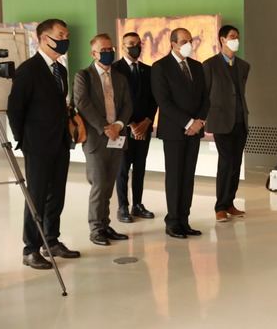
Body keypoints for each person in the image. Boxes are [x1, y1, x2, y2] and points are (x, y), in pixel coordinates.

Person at [7, 18, 80, 269]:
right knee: (36, 197)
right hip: (37, 146)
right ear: (43, 38)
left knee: (56, 195)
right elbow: (15, 110)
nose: (65, 39)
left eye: (66, 34)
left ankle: (52, 240)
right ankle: (31, 248)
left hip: (60, 142)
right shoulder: (28, 70)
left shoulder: (61, 69)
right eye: (60, 34)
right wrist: (24, 140)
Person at [74, 34, 133, 246]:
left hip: (117, 137)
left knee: (109, 184)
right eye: (103, 50)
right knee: (99, 184)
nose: (108, 53)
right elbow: (82, 103)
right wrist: (104, 127)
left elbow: (127, 105)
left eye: (110, 49)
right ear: (94, 53)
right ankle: (95, 228)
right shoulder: (84, 76)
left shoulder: (120, 77)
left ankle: (106, 224)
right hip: (96, 139)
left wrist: (118, 125)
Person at [151, 28, 209, 238]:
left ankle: (184, 219)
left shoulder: (196, 66)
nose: (188, 44)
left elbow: (205, 97)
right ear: (173, 43)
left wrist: (200, 121)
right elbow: (164, 102)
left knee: (188, 176)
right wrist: (188, 122)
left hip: (195, 131)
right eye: (183, 41)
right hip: (175, 131)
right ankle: (173, 221)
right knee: (175, 176)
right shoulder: (160, 67)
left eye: (190, 40)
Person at [203, 25, 250, 222]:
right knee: (225, 162)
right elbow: (204, 94)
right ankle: (220, 206)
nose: (235, 40)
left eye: (237, 37)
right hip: (221, 121)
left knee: (236, 163)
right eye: (232, 37)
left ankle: (230, 202)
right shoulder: (209, 65)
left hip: (241, 121)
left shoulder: (243, 66)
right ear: (222, 40)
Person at [112, 32, 158, 223]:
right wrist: (131, 125)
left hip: (144, 128)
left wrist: (147, 122)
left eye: (138, 44)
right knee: (122, 169)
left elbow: (154, 99)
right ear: (122, 46)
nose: (135, 47)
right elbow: (115, 101)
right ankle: (122, 206)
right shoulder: (115, 69)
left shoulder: (148, 70)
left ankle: (137, 204)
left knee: (140, 167)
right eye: (131, 44)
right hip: (123, 128)